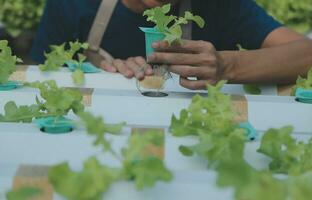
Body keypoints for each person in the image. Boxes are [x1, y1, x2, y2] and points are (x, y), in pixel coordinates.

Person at [31, 0, 312, 90]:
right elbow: (36, 78)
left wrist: (229, 65)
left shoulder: (220, 5)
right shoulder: (72, 4)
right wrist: (102, 74)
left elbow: (306, 54)